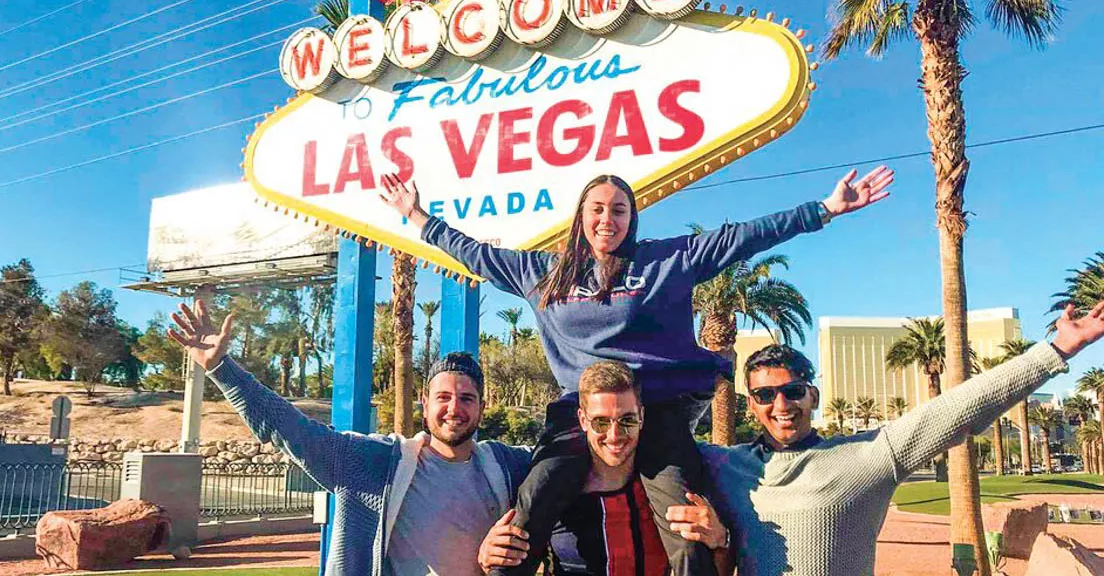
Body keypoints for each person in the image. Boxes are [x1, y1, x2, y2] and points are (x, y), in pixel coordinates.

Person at [380, 167, 894, 574]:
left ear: (632, 217)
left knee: (686, 521)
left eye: (620, 210)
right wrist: (418, 216)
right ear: (582, 215)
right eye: (598, 208)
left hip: (656, 411)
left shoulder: (665, 261)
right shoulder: (542, 273)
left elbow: (744, 236)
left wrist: (824, 209)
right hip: (576, 415)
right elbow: (474, 254)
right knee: (535, 499)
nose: (608, 219)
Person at [656, 301, 1104, 576]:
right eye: (765, 395)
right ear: (750, 403)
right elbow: (658, 440)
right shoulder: (724, 464)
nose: (781, 405)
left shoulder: (870, 455)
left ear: (812, 395)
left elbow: (958, 408)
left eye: (793, 391)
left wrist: (1056, 350)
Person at [166, 300, 531, 576]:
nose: (455, 409)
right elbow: (287, 427)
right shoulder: (371, 462)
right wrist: (220, 368)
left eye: (467, 398)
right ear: (424, 405)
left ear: (482, 407)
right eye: (444, 397)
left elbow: (571, 455)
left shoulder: (507, 466)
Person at [478, 361, 732, 575]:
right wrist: (487, 554)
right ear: (582, 420)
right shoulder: (550, 488)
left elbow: (719, 565)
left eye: (627, 420)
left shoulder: (671, 490)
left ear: (642, 417)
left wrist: (721, 540)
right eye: (601, 422)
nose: (614, 435)